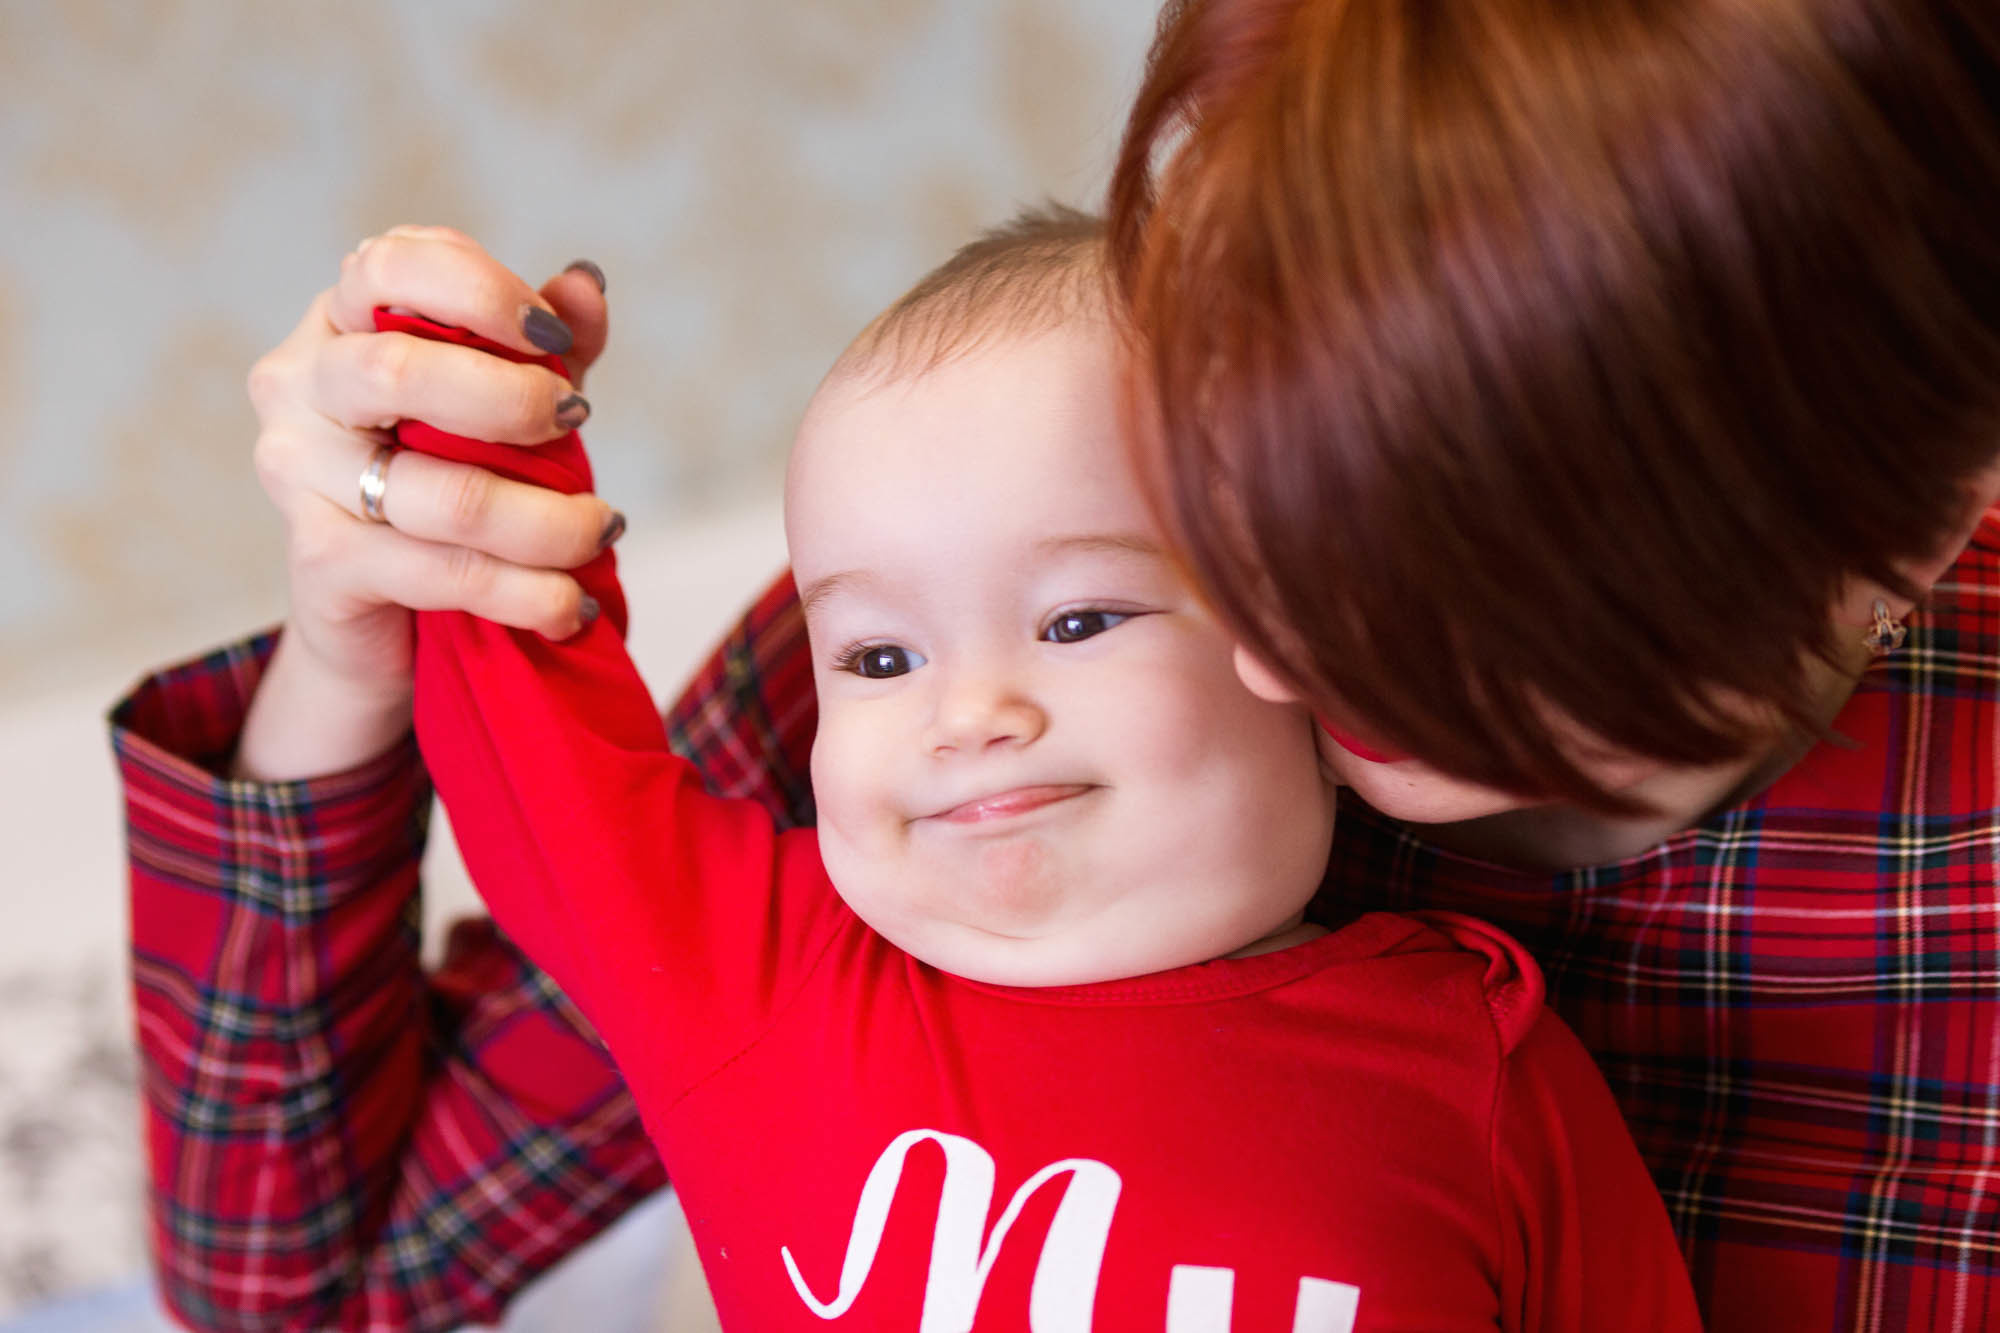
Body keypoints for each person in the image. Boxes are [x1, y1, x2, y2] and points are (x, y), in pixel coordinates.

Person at [112, 0, 2000, 1329]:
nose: (1264, 617)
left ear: (1912, 518)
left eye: (1467, 542)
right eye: (1240, 420)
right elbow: (314, 1278)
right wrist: (376, 624)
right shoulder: (955, 681)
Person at [390, 209, 1698, 1329]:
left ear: (1313, 631)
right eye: (881, 657)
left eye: (1077, 622)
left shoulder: (1481, 1068)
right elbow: (524, 726)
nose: (971, 713)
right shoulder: (758, 973)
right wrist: (470, 414)